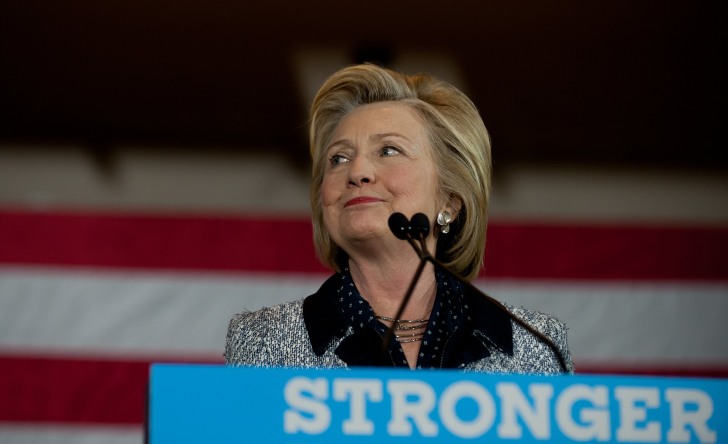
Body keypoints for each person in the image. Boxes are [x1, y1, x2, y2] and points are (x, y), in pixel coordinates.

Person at [225, 64, 573, 373]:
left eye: (389, 150)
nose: (357, 171)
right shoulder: (260, 342)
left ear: (450, 201)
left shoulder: (537, 346)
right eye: (338, 159)